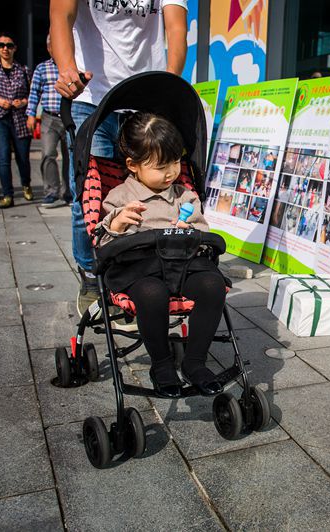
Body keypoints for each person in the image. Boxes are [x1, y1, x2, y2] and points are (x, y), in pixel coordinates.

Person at [51, 0, 188, 314]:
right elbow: (61, 13)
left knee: (150, 190)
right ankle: (91, 273)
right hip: (90, 95)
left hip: (146, 96)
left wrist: (170, 81)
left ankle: (137, 264)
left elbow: (176, 28)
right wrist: (66, 67)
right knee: (90, 193)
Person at [96, 112, 226, 398]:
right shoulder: (119, 197)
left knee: (213, 284)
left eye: (176, 162)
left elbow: (202, 232)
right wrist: (117, 224)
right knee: (152, 293)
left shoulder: (185, 196)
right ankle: (162, 364)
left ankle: (195, 362)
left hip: (183, 264)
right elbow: (103, 245)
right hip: (140, 268)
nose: (171, 172)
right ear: (133, 165)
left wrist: (189, 230)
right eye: (161, 166)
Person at [0, 31, 32, 209]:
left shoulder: (23, 70)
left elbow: (32, 93)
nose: (5, 49)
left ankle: (26, 184)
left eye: (9, 46)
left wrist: (23, 102)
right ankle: (7, 194)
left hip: (19, 118)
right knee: (3, 156)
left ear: (14, 48)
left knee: (23, 157)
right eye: (1, 45)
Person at [27, 34, 70, 208]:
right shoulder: (42, 68)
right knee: (48, 153)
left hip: (69, 117)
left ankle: (69, 192)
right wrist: (31, 114)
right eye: (54, 45)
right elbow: (34, 93)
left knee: (71, 156)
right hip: (49, 117)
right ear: (49, 48)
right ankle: (51, 191)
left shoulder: (73, 66)